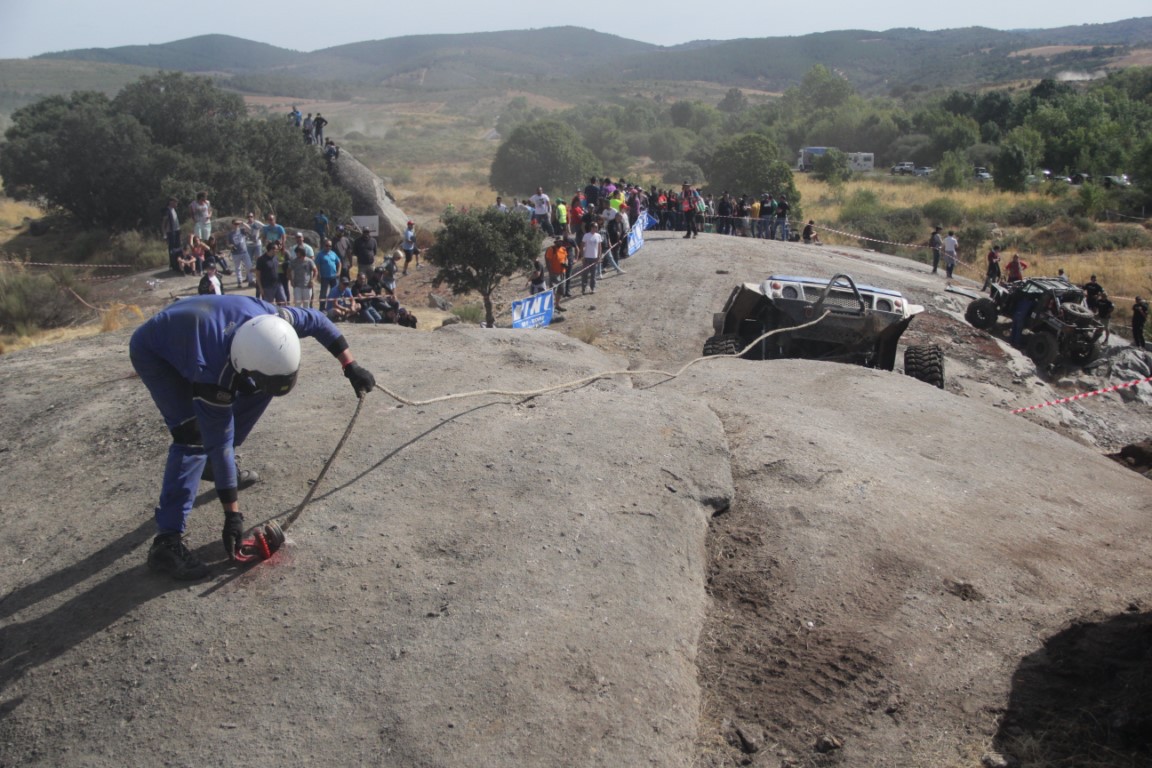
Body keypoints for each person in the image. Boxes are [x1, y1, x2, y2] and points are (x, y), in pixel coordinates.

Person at [130, 296, 375, 579]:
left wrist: (350, 366)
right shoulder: (214, 373)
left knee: (259, 389)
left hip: (201, 326)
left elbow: (319, 321)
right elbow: (219, 440)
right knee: (192, 435)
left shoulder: (276, 320)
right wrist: (232, 516)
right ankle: (166, 543)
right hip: (157, 351)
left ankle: (210, 467)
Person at [315, 239, 342, 311]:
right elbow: (317, 264)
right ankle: (322, 308)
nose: (328, 247)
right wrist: (318, 275)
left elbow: (339, 263)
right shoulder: (320, 254)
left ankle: (334, 307)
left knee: (335, 292)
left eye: (330, 246)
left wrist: (339, 272)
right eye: (327, 246)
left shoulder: (333, 253)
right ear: (324, 245)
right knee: (323, 293)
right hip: (324, 277)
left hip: (334, 277)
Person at [580, 221, 604, 295]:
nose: (596, 228)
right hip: (587, 257)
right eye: (594, 227)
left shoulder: (598, 236)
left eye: (596, 227)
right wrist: (582, 256)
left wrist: (599, 256)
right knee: (585, 274)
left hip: (594, 257)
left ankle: (592, 288)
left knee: (593, 274)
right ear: (591, 227)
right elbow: (582, 246)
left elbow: (599, 246)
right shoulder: (586, 235)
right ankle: (584, 288)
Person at [162, 197, 183, 272]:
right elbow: (164, 223)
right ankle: (173, 265)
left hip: (176, 231)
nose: (176, 204)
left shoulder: (174, 210)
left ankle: (178, 263)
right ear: (171, 202)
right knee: (172, 249)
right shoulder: (167, 211)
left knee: (178, 248)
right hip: (171, 232)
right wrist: (164, 235)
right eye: (175, 202)